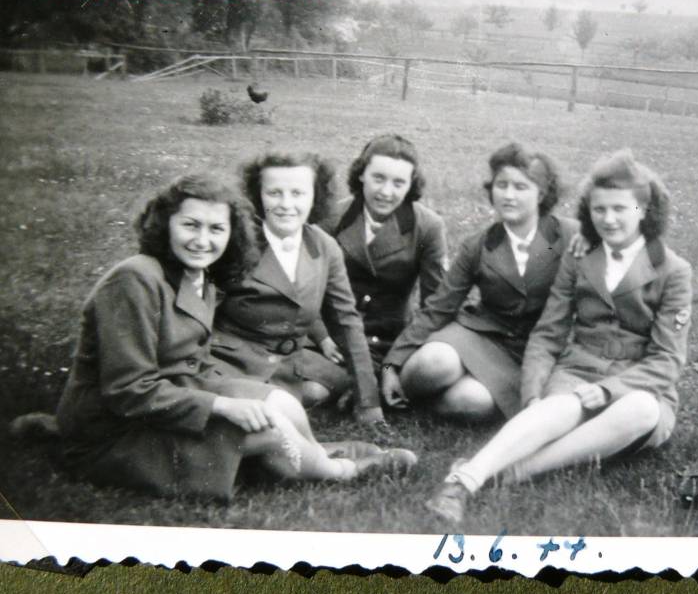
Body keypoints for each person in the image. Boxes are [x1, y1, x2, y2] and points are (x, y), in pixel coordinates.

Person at [55, 175, 413, 501]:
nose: (202, 240)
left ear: (232, 233)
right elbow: (128, 391)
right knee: (273, 429)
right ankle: (338, 470)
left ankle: (314, 452)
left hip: (173, 399)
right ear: (165, 224)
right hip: (115, 432)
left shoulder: (199, 275)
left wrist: (236, 397)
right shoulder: (135, 279)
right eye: (190, 225)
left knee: (282, 402)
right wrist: (222, 405)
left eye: (216, 229)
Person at [424, 151, 693, 524]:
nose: (609, 219)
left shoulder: (673, 270)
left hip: (636, 386)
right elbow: (549, 332)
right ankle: (464, 481)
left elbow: (667, 360)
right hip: (576, 374)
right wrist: (533, 394)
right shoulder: (580, 255)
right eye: (599, 210)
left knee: (642, 409)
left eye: (620, 209)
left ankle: (514, 472)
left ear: (644, 210)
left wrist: (609, 391)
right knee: (563, 406)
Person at [382, 143, 579, 421]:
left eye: (521, 187)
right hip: (479, 334)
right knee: (433, 363)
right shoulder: (478, 245)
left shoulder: (570, 236)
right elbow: (439, 307)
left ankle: (429, 403)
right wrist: (392, 363)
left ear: (542, 193)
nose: (508, 196)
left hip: (533, 352)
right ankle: (401, 390)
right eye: (502, 185)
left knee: (471, 401)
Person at [209, 153, 383, 418]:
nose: (286, 204)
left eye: (298, 194)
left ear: (315, 197)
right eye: (274, 193)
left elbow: (346, 321)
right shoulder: (235, 241)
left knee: (318, 391)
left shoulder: (325, 247)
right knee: (268, 410)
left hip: (290, 362)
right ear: (258, 195)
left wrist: (369, 401)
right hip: (233, 359)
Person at [312, 135, 447, 406]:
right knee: (313, 392)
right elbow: (304, 287)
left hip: (389, 342)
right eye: (378, 178)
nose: (386, 192)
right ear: (361, 174)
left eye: (398, 183)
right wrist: (322, 337)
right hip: (334, 342)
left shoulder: (427, 226)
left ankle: (374, 378)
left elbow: (435, 305)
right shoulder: (330, 218)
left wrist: (395, 361)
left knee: (435, 368)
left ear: (411, 184)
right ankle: (357, 383)